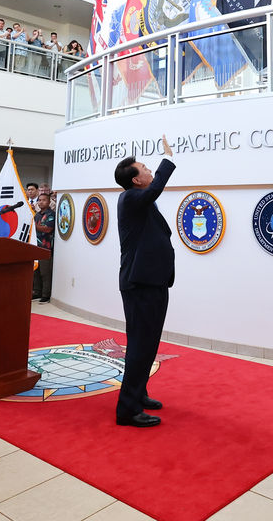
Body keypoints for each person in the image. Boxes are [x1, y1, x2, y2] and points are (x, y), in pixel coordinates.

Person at [113, 135, 176, 427]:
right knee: (140, 345)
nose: (150, 171)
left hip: (153, 281)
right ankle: (127, 409)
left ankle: (138, 394)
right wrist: (168, 159)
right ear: (136, 181)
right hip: (140, 284)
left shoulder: (140, 200)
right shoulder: (131, 198)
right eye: (145, 168)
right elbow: (155, 190)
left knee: (148, 344)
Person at [33, 193, 55, 303]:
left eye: (44, 200)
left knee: (45, 272)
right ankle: (37, 292)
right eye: (39, 200)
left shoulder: (51, 214)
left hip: (46, 247)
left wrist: (34, 226)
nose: (41, 202)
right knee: (36, 271)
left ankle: (46, 294)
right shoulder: (36, 215)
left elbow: (48, 229)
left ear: (49, 201)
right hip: (36, 246)